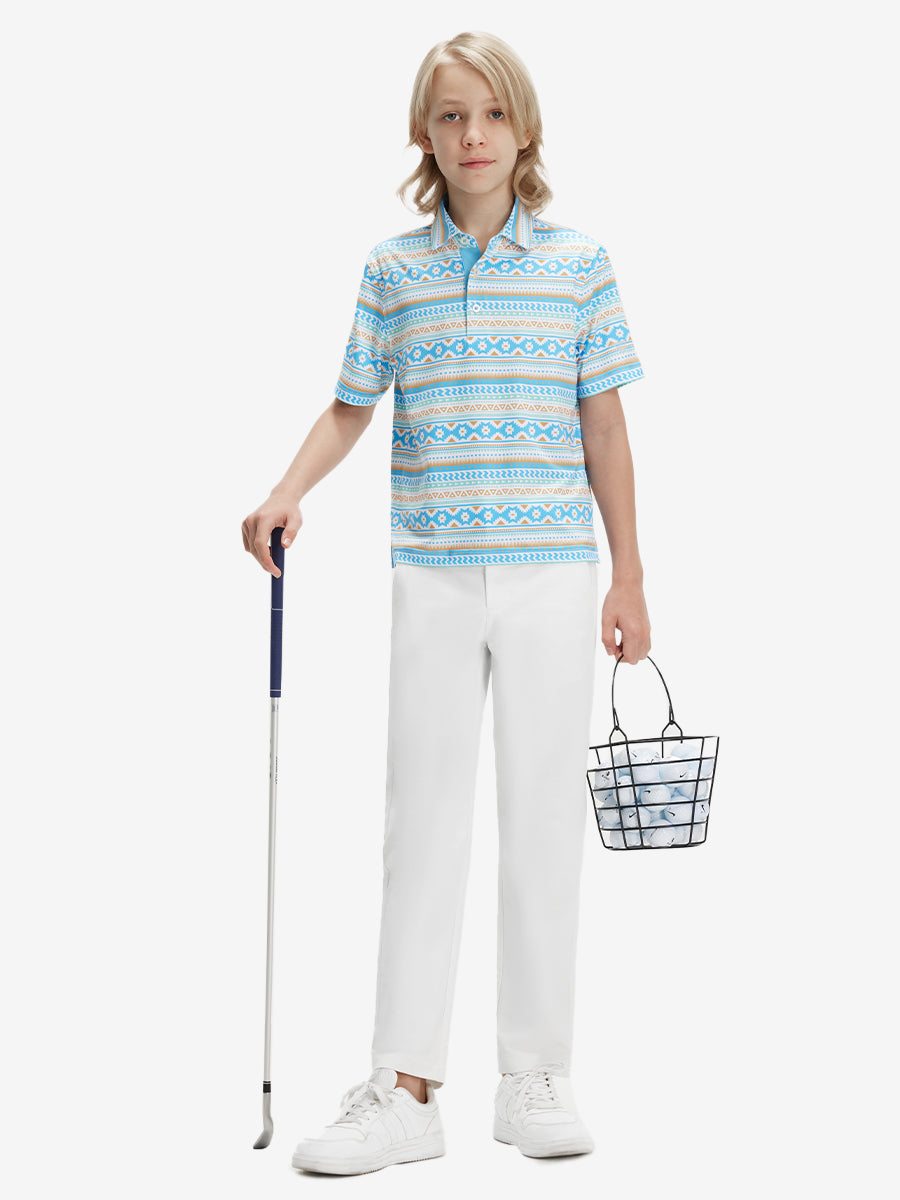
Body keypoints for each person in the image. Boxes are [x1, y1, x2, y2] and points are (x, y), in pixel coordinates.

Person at [241, 30, 651, 1176]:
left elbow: (606, 425)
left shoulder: (579, 264)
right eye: (451, 116)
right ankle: (406, 1086)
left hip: (553, 571)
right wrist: (285, 491)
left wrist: (629, 574)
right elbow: (349, 406)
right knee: (420, 819)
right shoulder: (394, 271)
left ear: (525, 128)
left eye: (491, 114)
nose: (473, 136)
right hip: (430, 568)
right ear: (424, 135)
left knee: (541, 818)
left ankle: (534, 1075)